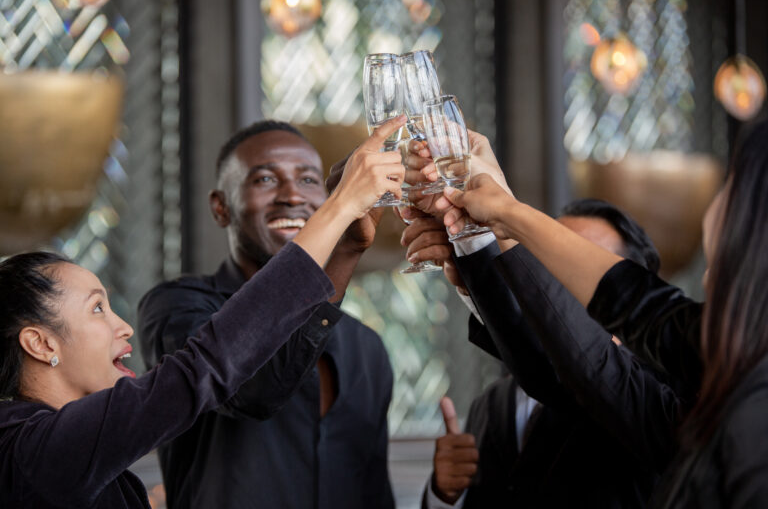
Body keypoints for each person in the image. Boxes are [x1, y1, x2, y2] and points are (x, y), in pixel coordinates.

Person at [0, 116, 405, 509]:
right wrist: (339, 208)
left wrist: (346, 243)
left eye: (308, 180)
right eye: (97, 308)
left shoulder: (68, 455)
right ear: (40, 342)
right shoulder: (37, 451)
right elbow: (207, 367)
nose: (122, 326)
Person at [437, 120, 768, 507]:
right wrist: (496, 222)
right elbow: (607, 325)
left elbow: (596, 358)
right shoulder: (713, 351)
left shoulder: (725, 392)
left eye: (730, 184)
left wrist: (506, 214)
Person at [138, 120, 399, 508]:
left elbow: (373, 494)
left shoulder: (367, 348)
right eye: (264, 180)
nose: (293, 195)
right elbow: (253, 391)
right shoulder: (178, 307)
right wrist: (341, 243)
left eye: (310, 180)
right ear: (221, 207)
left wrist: (441, 495)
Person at [413, 195, 675, 508]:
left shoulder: (652, 395)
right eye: (545, 258)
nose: (554, 278)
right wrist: (444, 494)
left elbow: (579, 372)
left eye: (582, 267)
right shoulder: (494, 402)